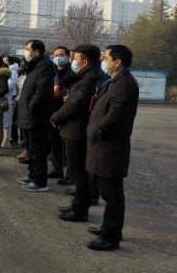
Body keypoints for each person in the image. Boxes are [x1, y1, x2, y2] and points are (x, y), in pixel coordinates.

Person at [85, 45, 139, 251]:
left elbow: (116, 114)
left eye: (106, 58)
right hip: (104, 146)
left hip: (110, 147)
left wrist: (99, 130)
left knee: (112, 195)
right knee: (108, 193)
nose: (103, 61)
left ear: (118, 62)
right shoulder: (116, 80)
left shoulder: (124, 83)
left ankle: (111, 237)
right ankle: (109, 227)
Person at [51, 44, 100, 223]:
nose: (73, 61)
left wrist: (55, 117)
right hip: (72, 130)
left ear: (84, 61)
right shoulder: (83, 77)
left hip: (76, 131)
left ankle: (80, 210)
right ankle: (77, 204)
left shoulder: (88, 81)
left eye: (75, 58)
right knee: (77, 171)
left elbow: (74, 105)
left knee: (79, 173)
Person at [17, 39, 54, 191]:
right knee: (30, 149)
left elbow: (41, 92)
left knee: (37, 150)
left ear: (36, 52)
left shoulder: (44, 67)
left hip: (35, 116)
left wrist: (31, 108)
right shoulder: (34, 66)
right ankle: (32, 175)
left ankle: (40, 181)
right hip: (27, 115)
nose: (26, 52)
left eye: (28, 49)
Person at [49, 46, 75, 184]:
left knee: (67, 146)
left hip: (65, 112)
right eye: (56, 55)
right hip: (53, 111)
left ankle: (70, 175)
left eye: (61, 55)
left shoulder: (72, 73)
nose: (58, 57)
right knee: (54, 143)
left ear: (68, 56)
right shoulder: (52, 71)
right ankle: (56, 169)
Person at [3, 56, 19, 147]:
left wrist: (0, 89)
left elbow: (10, 86)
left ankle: (6, 140)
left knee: (7, 120)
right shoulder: (5, 71)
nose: (4, 62)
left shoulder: (13, 72)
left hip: (8, 98)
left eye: (5, 60)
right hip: (3, 97)